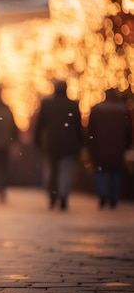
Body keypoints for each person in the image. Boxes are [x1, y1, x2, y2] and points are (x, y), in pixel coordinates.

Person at [33, 81, 84, 211]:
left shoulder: (47, 104)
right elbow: (78, 127)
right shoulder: (73, 105)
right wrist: (81, 143)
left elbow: (40, 125)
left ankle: (52, 195)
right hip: (69, 144)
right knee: (65, 171)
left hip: (51, 144)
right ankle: (63, 196)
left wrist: (37, 141)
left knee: (51, 171)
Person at [87, 89, 132, 209]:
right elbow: (128, 131)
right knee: (115, 172)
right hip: (118, 147)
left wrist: (91, 145)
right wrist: (126, 146)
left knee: (100, 171)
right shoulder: (123, 110)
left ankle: (102, 193)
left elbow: (90, 130)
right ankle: (113, 198)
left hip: (100, 147)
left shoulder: (97, 109)